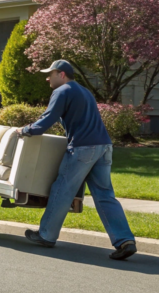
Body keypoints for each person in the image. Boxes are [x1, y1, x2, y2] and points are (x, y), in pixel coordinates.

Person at [15, 60, 138, 261]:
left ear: (62, 74)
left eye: (51, 74)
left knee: (62, 189)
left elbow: (45, 121)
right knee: (105, 195)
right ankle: (125, 240)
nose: (47, 78)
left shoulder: (62, 91)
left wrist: (24, 130)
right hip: (104, 146)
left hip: (83, 149)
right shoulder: (84, 91)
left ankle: (46, 235)